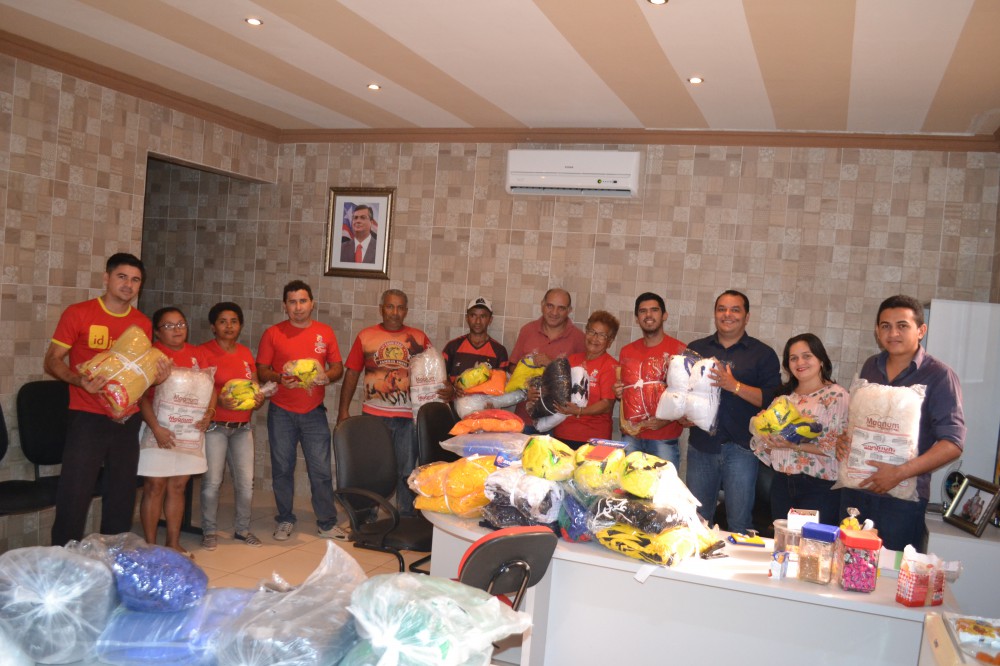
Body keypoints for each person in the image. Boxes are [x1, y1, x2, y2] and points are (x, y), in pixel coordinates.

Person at [44, 253, 169, 546]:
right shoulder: (79, 313)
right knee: (75, 493)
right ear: (106, 278)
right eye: (122, 277)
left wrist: (157, 378)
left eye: (135, 280)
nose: (128, 285)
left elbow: (137, 375)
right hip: (87, 416)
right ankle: (64, 560)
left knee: (122, 494)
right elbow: (51, 361)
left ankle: (114, 557)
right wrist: (79, 380)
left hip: (127, 419)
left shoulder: (141, 323)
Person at [838, 295, 965, 552]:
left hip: (902, 501)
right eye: (885, 326)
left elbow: (953, 443)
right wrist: (845, 440)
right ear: (877, 331)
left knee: (891, 570)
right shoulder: (871, 367)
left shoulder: (940, 375)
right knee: (847, 563)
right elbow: (863, 422)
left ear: (921, 330)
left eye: (902, 326)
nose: (893, 333)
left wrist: (899, 473)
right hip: (855, 491)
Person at [685, 289, 781, 535]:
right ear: (715, 313)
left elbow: (771, 401)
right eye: (722, 309)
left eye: (735, 310)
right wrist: (684, 413)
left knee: (739, 524)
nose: (727, 314)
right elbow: (683, 392)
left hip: (742, 449)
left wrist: (733, 385)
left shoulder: (763, 354)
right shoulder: (696, 349)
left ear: (746, 317)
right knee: (696, 520)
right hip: (701, 446)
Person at [256, 280, 346, 542]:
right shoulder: (273, 333)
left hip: (314, 411)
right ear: (285, 306)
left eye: (303, 301)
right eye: (292, 302)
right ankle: (285, 519)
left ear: (312, 303)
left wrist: (326, 376)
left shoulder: (324, 332)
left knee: (320, 470)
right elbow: (261, 369)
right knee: (282, 468)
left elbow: (337, 367)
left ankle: (327, 523)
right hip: (281, 411)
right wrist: (279, 377)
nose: (298, 307)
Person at [338, 289, 433, 515]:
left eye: (400, 308)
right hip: (373, 417)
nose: (394, 312)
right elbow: (352, 373)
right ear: (381, 309)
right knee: (371, 470)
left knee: (405, 471)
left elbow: (432, 374)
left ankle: (405, 518)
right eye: (390, 306)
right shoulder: (365, 336)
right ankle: (366, 517)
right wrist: (343, 411)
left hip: (407, 418)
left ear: (406, 311)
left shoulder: (419, 339)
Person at [138, 307, 215, 556]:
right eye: (169, 326)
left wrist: (209, 413)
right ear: (157, 332)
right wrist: (156, 428)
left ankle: (173, 542)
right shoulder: (150, 355)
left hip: (189, 433)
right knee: (155, 486)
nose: (177, 329)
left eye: (181, 323)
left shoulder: (198, 353)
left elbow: (211, 388)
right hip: (157, 431)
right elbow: (141, 396)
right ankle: (150, 546)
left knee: (178, 487)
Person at [750, 333, 847, 526]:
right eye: (793, 358)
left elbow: (836, 447)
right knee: (784, 541)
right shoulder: (784, 398)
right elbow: (765, 449)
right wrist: (765, 433)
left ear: (821, 360)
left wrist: (793, 446)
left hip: (818, 488)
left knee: (813, 542)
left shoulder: (837, 396)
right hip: (781, 485)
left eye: (807, 356)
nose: (800, 362)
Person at [199, 302, 265, 550]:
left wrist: (259, 398)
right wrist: (218, 400)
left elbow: (254, 385)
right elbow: (198, 389)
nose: (229, 326)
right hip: (215, 427)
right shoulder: (203, 352)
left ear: (240, 325)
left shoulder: (245, 353)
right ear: (213, 326)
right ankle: (209, 531)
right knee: (212, 483)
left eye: (234, 321)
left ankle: (242, 529)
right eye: (223, 321)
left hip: (242, 427)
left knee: (246, 483)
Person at [614, 293, 687, 467]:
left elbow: (686, 397)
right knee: (629, 483)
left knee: (664, 484)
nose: (648, 315)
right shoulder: (627, 351)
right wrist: (619, 391)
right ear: (636, 318)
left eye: (654, 310)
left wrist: (665, 420)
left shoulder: (679, 350)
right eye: (643, 311)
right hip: (631, 437)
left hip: (664, 438)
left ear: (664, 315)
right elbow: (624, 390)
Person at [509, 288, 586, 428]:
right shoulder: (527, 330)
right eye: (550, 306)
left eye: (561, 308)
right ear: (542, 305)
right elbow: (513, 367)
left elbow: (581, 383)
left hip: (559, 424)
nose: (554, 313)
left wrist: (552, 364)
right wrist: (526, 389)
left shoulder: (579, 338)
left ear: (569, 310)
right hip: (524, 420)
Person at [552, 311, 620, 449]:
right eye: (591, 332)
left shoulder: (611, 366)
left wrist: (579, 411)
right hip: (562, 433)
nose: (594, 338)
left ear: (610, 341)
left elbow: (606, 404)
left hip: (593, 438)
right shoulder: (572, 360)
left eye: (602, 335)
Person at [442, 297, 509, 382]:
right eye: (473, 315)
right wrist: (452, 387)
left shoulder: (500, 352)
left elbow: (501, 383)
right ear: (467, 318)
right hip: (455, 391)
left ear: (490, 320)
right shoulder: (452, 347)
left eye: (483, 316)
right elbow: (440, 378)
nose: (478, 321)